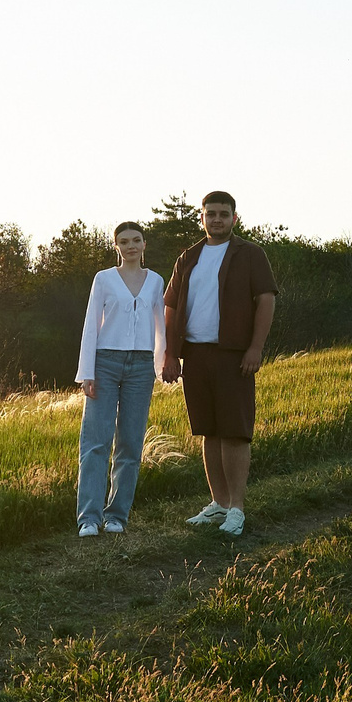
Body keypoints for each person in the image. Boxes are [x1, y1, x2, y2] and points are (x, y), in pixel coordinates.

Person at [161, 190, 278, 538]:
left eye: (223, 214)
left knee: (235, 431)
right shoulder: (189, 257)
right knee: (208, 431)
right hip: (195, 356)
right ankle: (219, 503)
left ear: (234, 218)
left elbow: (266, 300)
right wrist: (170, 353)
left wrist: (255, 348)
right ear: (202, 217)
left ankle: (237, 509)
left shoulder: (251, 254)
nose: (216, 220)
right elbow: (170, 308)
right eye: (210, 214)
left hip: (234, 355)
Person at [74, 221, 165, 538]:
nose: (130, 246)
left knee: (130, 443)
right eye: (124, 241)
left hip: (141, 367)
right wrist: (87, 372)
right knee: (95, 443)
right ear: (116, 246)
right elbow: (90, 325)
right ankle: (89, 517)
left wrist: (162, 365)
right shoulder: (103, 279)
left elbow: (161, 326)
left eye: (136, 240)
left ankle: (116, 516)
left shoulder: (156, 281)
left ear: (144, 244)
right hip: (106, 363)